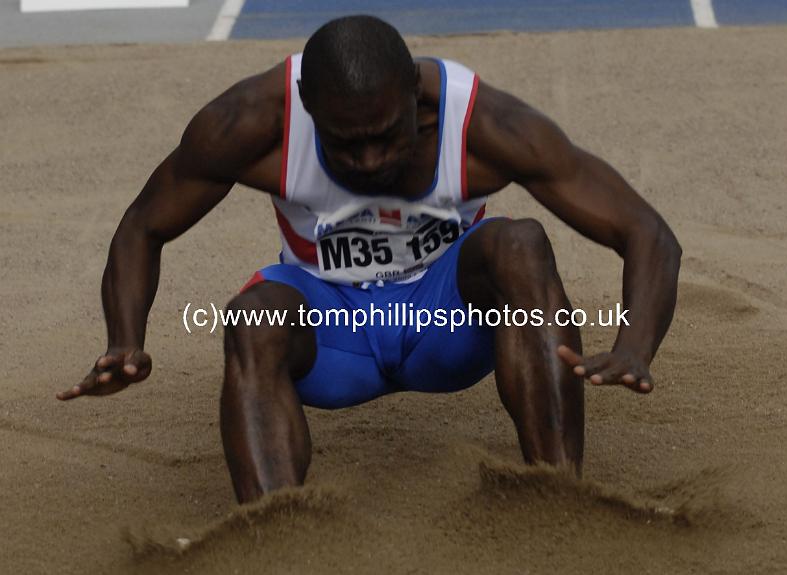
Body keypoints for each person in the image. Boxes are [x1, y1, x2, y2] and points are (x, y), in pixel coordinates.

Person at [57, 15, 681, 503]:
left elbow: (647, 232)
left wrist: (635, 345)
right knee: (253, 319)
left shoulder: (484, 125)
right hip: (334, 331)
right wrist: (124, 340)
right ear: (306, 106)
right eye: (346, 145)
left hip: (449, 322)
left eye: (386, 136)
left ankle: (560, 497)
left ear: (415, 94)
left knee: (520, 244)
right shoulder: (247, 123)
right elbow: (142, 227)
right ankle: (271, 532)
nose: (370, 161)